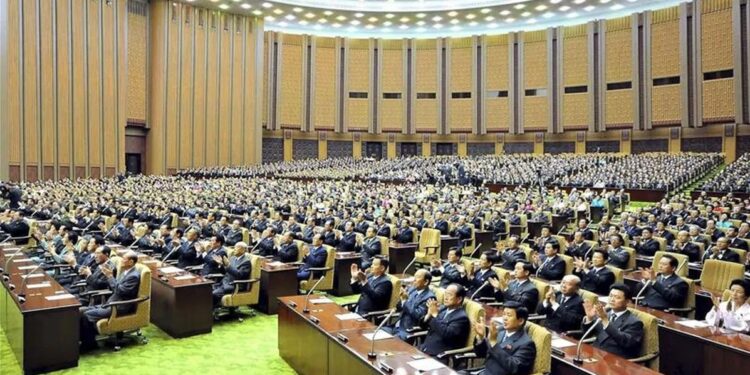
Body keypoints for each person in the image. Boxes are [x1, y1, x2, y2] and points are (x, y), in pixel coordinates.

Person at [79, 250, 142, 351]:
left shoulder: (133, 276)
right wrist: (110, 278)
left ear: (131, 262)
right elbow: (115, 287)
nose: (121, 261)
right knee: (81, 311)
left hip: (118, 306)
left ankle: (89, 344)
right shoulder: (126, 272)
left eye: (124, 259)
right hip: (110, 303)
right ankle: (84, 340)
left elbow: (120, 291)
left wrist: (110, 276)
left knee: (86, 315)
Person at [463, 301, 536, 375]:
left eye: (509, 315)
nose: (504, 318)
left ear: (520, 321)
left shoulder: (527, 344)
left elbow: (515, 368)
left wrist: (494, 344)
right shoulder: (500, 330)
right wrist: (481, 337)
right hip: (484, 371)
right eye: (504, 314)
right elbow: (482, 354)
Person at [581, 283, 644, 359]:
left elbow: (625, 342)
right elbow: (587, 334)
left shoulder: (634, 322)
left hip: (615, 360)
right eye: (611, 296)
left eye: (617, 297)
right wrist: (589, 318)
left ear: (627, 302)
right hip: (596, 354)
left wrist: (605, 320)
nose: (612, 299)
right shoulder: (605, 313)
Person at [419, 283, 471, 359]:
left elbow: (446, 334)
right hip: (425, 348)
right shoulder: (442, 309)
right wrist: (428, 315)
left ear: (459, 299)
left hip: (440, 355)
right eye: (445, 294)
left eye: (449, 295)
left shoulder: (461, 318)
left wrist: (435, 315)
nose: (445, 297)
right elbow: (423, 327)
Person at [389, 269, 435, 341]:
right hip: (397, 325)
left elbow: (418, 316)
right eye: (414, 276)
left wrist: (405, 301)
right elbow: (399, 308)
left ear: (426, 282)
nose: (414, 279)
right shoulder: (412, 289)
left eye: (417, 277)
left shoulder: (430, 297)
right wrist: (401, 299)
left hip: (408, 331)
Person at [212, 242, 252, 308]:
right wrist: (221, 264)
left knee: (213, 294)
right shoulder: (233, 258)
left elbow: (239, 275)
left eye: (237, 247)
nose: (235, 249)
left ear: (244, 250)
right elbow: (225, 272)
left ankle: (211, 313)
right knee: (206, 290)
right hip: (224, 282)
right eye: (235, 247)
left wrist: (228, 265)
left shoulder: (246, 262)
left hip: (234, 285)